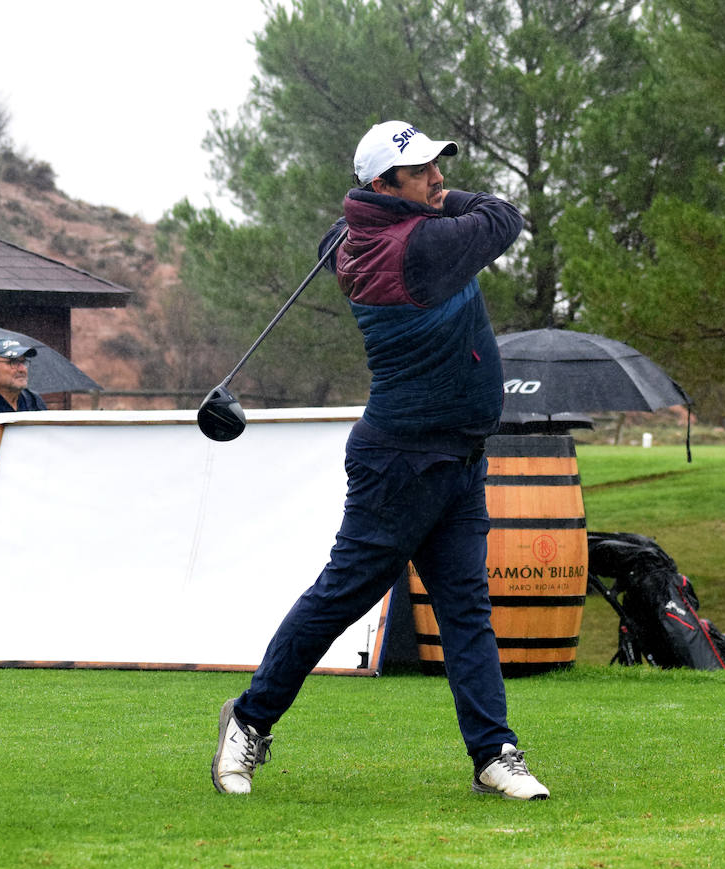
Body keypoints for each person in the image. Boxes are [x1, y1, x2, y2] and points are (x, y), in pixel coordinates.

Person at [211, 119, 550, 800]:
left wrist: (380, 208)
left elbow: (339, 237)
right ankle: (247, 721)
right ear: (383, 185)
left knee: (465, 610)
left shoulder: (363, 238)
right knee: (341, 598)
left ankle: (494, 752)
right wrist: (437, 203)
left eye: (436, 165)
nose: (437, 177)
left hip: (455, 457)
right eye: (421, 170)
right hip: (400, 463)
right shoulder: (423, 246)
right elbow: (505, 216)